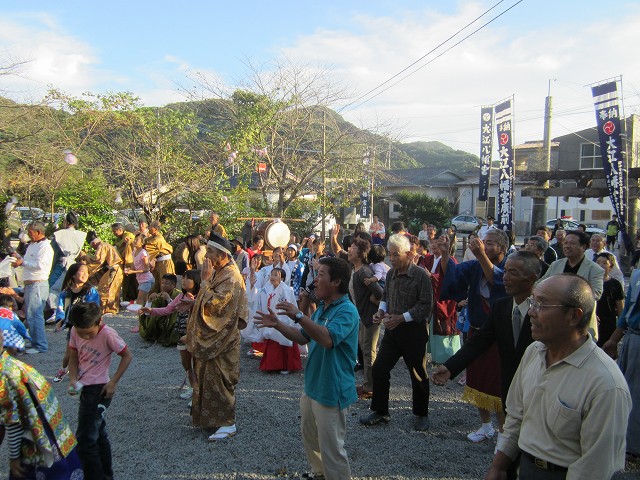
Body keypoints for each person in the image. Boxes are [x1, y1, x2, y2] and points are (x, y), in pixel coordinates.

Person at [486, 274, 631, 480]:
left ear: (573, 316)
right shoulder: (534, 352)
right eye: (532, 302)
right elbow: (516, 417)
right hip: (524, 467)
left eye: (541, 305)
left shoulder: (605, 384)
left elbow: (594, 466)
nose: (531, 313)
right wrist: (498, 466)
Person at [254, 256, 359, 480]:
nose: (314, 281)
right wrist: (279, 325)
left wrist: (300, 315)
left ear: (336, 282)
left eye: (320, 275)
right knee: (311, 439)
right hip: (313, 387)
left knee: (333, 450)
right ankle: (319, 474)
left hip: (333, 390)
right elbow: (303, 338)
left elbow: (328, 339)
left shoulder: (347, 311)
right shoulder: (323, 307)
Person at [432, 251, 540, 413]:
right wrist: (450, 367)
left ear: (531, 279)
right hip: (509, 391)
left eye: (513, 273)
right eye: (504, 271)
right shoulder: (500, 307)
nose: (505, 277)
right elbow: (479, 341)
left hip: (537, 392)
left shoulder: (544, 312)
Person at [439, 230, 509, 442]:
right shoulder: (476, 265)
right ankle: (486, 426)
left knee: (498, 383)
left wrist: (480, 255)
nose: (484, 247)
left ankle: (505, 433)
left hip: (499, 335)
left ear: (502, 249)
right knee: (477, 380)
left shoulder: (509, 266)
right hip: (477, 330)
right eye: (483, 243)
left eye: (490, 244)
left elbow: (499, 282)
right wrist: (445, 255)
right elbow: (453, 275)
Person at [359, 234, 433, 431]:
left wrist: (402, 318)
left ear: (408, 254)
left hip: (413, 331)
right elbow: (386, 296)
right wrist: (381, 311)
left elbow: (425, 306)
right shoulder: (391, 274)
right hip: (392, 331)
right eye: (390, 255)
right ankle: (380, 411)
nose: (391, 259)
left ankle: (421, 413)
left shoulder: (420, 276)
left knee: (417, 372)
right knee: (380, 368)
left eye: (395, 255)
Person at [185, 233, 249, 441]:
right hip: (216, 336)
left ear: (222, 254)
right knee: (207, 376)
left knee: (220, 378)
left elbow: (216, 307)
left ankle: (227, 423)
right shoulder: (220, 271)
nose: (207, 256)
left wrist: (203, 284)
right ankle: (209, 418)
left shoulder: (231, 276)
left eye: (210, 252)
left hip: (224, 338)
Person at [0, 332, 84, 479]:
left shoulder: (4, 375)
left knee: (38, 470)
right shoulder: (11, 363)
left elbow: (14, 422)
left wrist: (13, 458)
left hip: (36, 431)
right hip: (52, 423)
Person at [67, 301, 133, 479]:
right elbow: (73, 357)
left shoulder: (108, 334)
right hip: (84, 387)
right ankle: (106, 475)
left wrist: (113, 382)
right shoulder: (75, 331)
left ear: (99, 322)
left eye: (89, 333)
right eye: (82, 334)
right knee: (98, 435)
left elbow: (127, 355)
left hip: (100, 389)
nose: (85, 337)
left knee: (85, 439)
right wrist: (73, 379)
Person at [140, 269, 200, 400]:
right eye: (183, 278)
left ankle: (198, 393)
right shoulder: (181, 296)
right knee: (186, 364)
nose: (183, 280)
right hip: (181, 333)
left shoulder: (201, 297)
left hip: (196, 335)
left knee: (198, 363)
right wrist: (151, 310)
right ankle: (192, 386)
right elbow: (168, 309)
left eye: (187, 279)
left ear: (196, 281)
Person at [603, 266, 640, 464]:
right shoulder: (636, 275)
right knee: (631, 390)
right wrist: (614, 339)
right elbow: (628, 311)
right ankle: (631, 443)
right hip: (634, 338)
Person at [537, 230, 603, 340]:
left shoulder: (595, 269)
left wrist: (567, 297)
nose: (567, 246)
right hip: (554, 318)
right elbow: (540, 284)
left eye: (572, 243)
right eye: (566, 243)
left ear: (583, 247)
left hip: (579, 321)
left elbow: (596, 293)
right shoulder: (556, 265)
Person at [10, 221, 54, 354]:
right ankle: (35, 341)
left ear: (39, 232)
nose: (29, 235)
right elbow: (29, 261)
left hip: (38, 283)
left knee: (35, 315)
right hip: (30, 283)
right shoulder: (32, 245)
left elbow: (41, 265)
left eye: (30, 233)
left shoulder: (45, 246)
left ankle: (40, 345)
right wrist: (19, 258)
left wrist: (22, 262)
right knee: (30, 314)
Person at [52, 263, 101, 383]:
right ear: (73, 274)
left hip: (87, 325)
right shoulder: (67, 292)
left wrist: (94, 322)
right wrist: (61, 320)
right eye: (82, 271)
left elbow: (94, 308)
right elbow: (64, 308)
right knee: (69, 354)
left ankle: (85, 373)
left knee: (87, 351)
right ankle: (63, 369)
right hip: (73, 327)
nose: (85, 274)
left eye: (87, 272)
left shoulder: (90, 291)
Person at [419, 239, 460, 364]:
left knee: (445, 327)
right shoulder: (429, 258)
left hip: (445, 299)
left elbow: (450, 278)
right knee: (433, 326)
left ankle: (448, 357)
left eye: (437, 243)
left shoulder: (451, 260)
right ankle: (435, 356)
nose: (434, 245)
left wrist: (432, 276)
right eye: (433, 243)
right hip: (432, 298)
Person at [255, 268, 301, 374]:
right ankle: (273, 365)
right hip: (273, 318)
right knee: (273, 341)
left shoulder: (287, 289)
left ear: (282, 278)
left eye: (276, 275)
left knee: (285, 340)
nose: (272, 277)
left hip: (283, 318)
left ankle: (287, 366)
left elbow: (289, 303)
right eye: (271, 274)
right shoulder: (267, 289)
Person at [48, 211, 86, 319]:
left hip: (61, 263)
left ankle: (56, 310)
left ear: (66, 222)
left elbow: (54, 252)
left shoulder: (60, 234)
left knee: (52, 287)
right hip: (73, 263)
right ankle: (68, 309)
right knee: (69, 287)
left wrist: (51, 267)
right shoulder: (80, 235)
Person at [81, 233, 124, 316]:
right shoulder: (106, 245)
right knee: (112, 289)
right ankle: (112, 308)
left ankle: (109, 310)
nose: (93, 249)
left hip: (114, 269)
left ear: (93, 243)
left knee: (106, 288)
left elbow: (98, 260)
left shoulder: (102, 246)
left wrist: (86, 257)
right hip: (115, 269)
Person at [138, 274, 181, 345]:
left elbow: (178, 310)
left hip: (172, 322)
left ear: (174, 285)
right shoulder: (159, 295)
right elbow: (147, 312)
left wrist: (168, 299)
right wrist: (149, 301)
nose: (163, 286)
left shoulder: (178, 295)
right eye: (162, 283)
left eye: (167, 283)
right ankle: (152, 334)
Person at [594, 252, 625, 348]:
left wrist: (620, 329)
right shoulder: (588, 281)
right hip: (591, 323)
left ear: (610, 267)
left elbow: (620, 308)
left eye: (604, 263)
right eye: (598, 262)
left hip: (608, 324)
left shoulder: (615, 284)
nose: (600, 265)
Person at [144, 221, 175, 294]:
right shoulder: (151, 237)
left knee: (166, 283)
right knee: (155, 284)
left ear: (155, 229)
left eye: (150, 226)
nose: (148, 228)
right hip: (157, 262)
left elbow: (148, 248)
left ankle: (166, 301)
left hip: (165, 263)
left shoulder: (158, 239)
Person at [112, 223, 136, 303]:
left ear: (120, 230)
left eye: (115, 231)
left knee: (132, 282)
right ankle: (127, 299)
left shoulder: (127, 234)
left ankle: (133, 299)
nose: (113, 233)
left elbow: (131, 238)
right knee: (125, 283)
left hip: (130, 262)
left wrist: (127, 241)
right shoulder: (118, 239)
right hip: (122, 262)